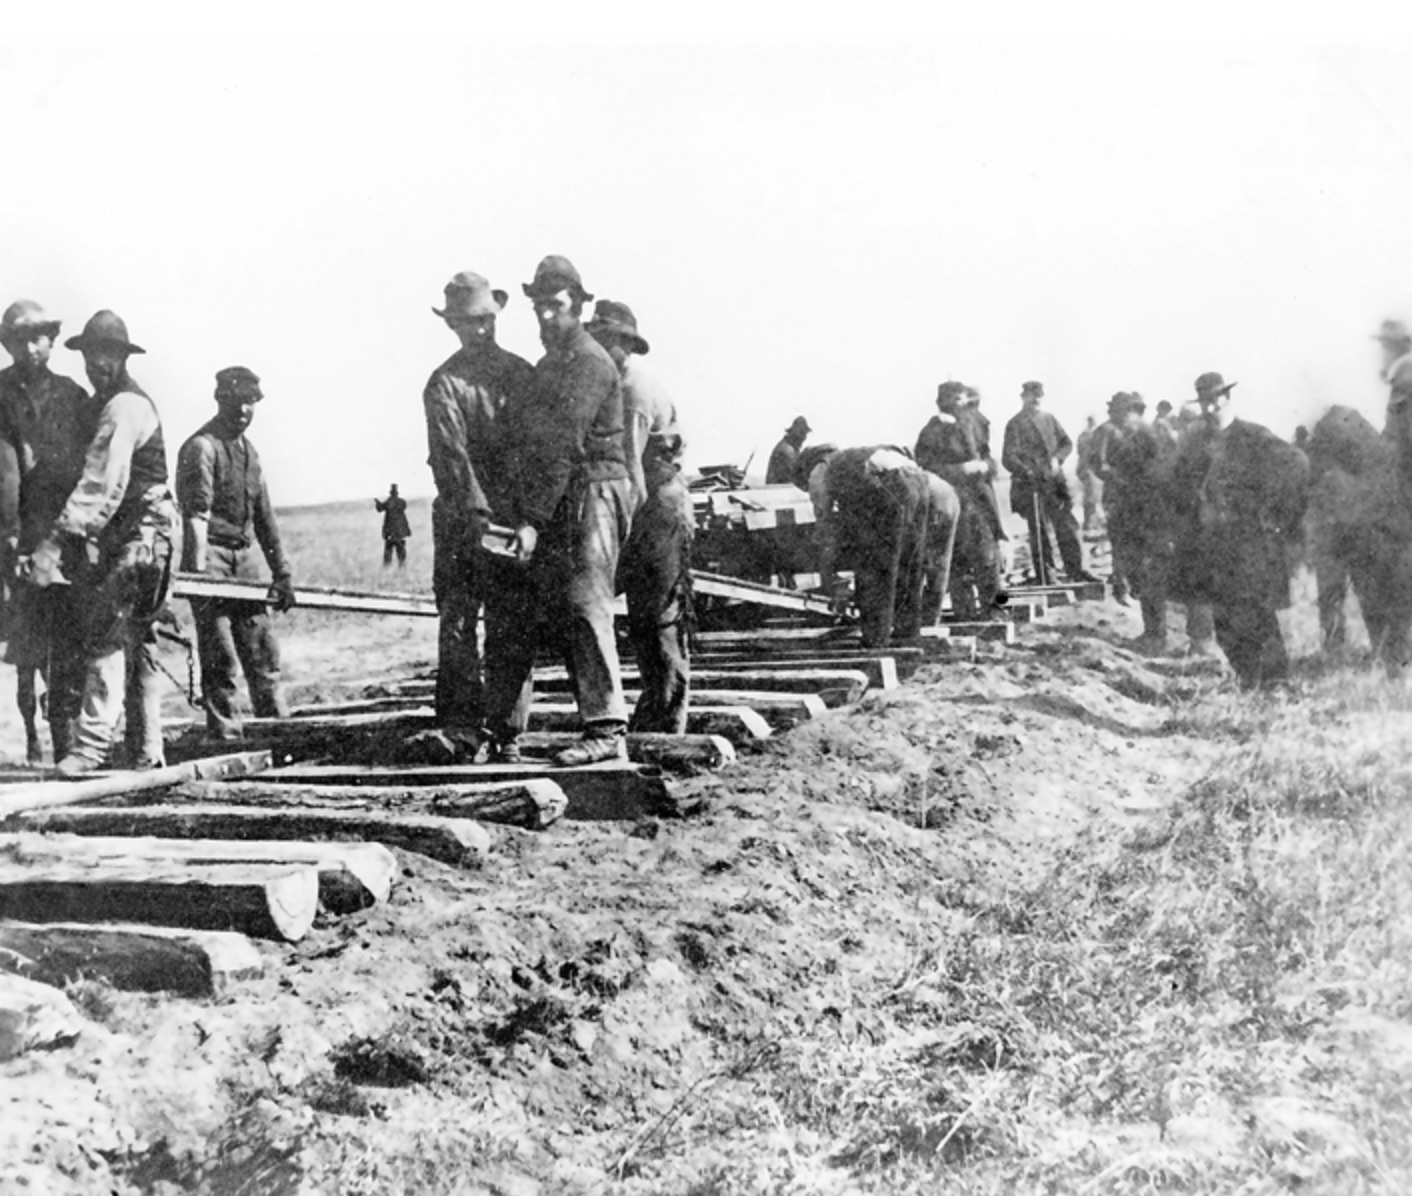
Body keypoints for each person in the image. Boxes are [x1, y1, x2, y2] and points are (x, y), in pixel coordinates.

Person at [25, 310, 177, 772]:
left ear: (122, 357)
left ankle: (90, 749)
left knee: (108, 633)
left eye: (108, 355)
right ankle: (148, 751)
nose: (98, 364)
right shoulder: (104, 402)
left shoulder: (124, 406)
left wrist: (54, 542)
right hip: (137, 533)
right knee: (138, 641)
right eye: (92, 355)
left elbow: (100, 485)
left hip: (144, 534)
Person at [507, 255, 632, 767]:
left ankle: (606, 728)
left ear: (578, 306)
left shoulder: (588, 362)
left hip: (595, 488)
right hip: (570, 492)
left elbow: (561, 445)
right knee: (563, 606)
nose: (544, 317)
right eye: (537, 308)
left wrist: (532, 521)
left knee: (586, 601)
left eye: (555, 307)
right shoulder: (552, 364)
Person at [420, 270, 537, 762]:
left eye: (486, 319)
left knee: (511, 626)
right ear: (453, 326)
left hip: (511, 524)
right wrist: (479, 519)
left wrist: (529, 518)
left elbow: (539, 450)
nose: (480, 329)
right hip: (463, 526)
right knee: (460, 625)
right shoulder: (443, 384)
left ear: (497, 317)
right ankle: (462, 730)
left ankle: (508, 733)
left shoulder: (523, 375)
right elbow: (451, 459)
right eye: (469, 322)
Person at [587, 299, 693, 734]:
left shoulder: (631, 390)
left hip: (655, 508)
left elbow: (633, 472)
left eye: (606, 341)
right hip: (652, 503)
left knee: (659, 615)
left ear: (623, 345)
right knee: (646, 618)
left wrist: (620, 536)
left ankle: (668, 720)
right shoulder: (618, 383)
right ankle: (657, 710)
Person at [0, 300, 98, 764]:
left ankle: (65, 743)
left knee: (67, 642)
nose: (30, 347)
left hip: (65, 535)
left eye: (39, 337)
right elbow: (6, 475)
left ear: (53, 341)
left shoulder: (72, 396)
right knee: (26, 646)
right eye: (19, 339)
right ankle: (32, 737)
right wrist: (11, 540)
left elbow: (89, 469)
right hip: (16, 533)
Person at [175, 366, 295, 742]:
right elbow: (196, 516)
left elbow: (265, 516)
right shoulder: (201, 448)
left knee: (263, 652)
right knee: (220, 656)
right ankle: (226, 738)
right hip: (210, 556)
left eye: (250, 402)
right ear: (219, 400)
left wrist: (282, 573)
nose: (243, 410)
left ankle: (276, 733)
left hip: (244, 559)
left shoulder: (250, 452)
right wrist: (198, 581)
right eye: (235, 401)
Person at [1168, 372, 1308, 687]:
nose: (1209, 408)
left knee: (1257, 611)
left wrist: (1274, 513)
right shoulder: (1195, 443)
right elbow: (1176, 484)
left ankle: (1275, 682)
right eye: (1203, 401)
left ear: (1227, 399)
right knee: (1225, 618)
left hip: (1248, 543)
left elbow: (1296, 463)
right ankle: (1248, 678)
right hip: (1211, 544)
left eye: (1214, 400)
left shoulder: (1253, 436)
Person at [805, 445, 932, 648]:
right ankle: (907, 632)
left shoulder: (820, 469)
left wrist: (826, 546)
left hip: (893, 483)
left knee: (874, 567)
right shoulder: (853, 457)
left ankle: (876, 638)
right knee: (909, 563)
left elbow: (823, 514)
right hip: (919, 481)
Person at [915, 381, 1006, 622]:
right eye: (954, 399)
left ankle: (994, 611)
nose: (960, 404)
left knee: (988, 559)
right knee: (958, 561)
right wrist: (958, 470)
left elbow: (991, 460)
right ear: (941, 402)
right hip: (953, 503)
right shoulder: (932, 431)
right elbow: (925, 468)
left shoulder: (977, 423)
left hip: (981, 501)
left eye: (963, 399)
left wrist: (985, 466)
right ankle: (964, 614)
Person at [1098, 392, 1176, 649]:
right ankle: (1152, 630)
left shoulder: (1150, 436)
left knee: (1149, 569)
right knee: (1136, 567)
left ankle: (1157, 633)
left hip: (1150, 512)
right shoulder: (1119, 435)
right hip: (1129, 509)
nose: (1125, 416)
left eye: (1129, 411)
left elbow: (1161, 473)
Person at [1001, 380, 1096, 584]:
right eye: (1031, 395)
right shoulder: (1015, 423)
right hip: (1031, 485)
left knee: (1068, 526)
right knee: (1039, 530)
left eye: (1039, 396)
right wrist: (1026, 471)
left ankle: (1077, 569)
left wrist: (1057, 459)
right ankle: (1047, 575)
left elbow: (1066, 443)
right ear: (1023, 397)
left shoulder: (1049, 418)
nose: (1036, 399)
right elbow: (1008, 457)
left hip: (1055, 484)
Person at [1075, 414, 1105, 535]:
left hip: (1087, 468)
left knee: (1092, 496)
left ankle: (1092, 522)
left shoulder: (1085, 435)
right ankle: (1089, 523)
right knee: (1090, 497)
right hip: (1088, 468)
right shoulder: (1088, 435)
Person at [766, 416, 811, 484]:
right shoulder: (787, 450)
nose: (803, 438)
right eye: (801, 433)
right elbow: (797, 476)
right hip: (780, 491)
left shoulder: (790, 448)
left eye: (804, 434)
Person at [375, 483, 410, 567]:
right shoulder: (401, 502)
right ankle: (402, 569)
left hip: (390, 532)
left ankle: (387, 570)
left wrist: (378, 503)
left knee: (388, 554)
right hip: (400, 531)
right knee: (401, 554)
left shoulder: (389, 502)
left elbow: (380, 509)